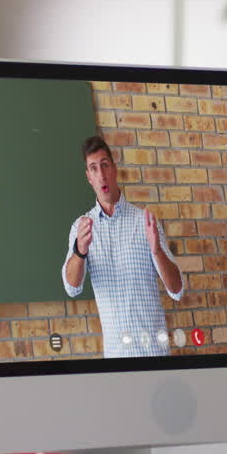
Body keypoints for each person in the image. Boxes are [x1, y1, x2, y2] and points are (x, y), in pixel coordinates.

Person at [62, 135, 184, 358]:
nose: (101, 174)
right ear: (89, 177)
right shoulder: (82, 228)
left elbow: (177, 290)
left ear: (114, 169)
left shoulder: (145, 221)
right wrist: (80, 251)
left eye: (104, 165)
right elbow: (71, 287)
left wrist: (157, 251)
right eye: (94, 168)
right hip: (116, 358)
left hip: (154, 354)